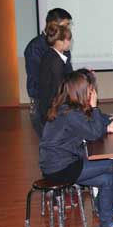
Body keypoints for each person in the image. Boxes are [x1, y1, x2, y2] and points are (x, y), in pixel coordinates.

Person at [39, 70, 113, 227]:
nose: (93, 93)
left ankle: (106, 223)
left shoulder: (70, 108)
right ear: (82, 91)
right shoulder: (69, 114)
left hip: (61, 164)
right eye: (91, 90)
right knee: (112, 164)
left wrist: (109, 121)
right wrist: (95, 107)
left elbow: (92, 122)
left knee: (107, 179)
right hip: (60, 168)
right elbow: (94, 133)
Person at [25, 8, 73, 137]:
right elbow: (38, 80)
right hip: (44, 103)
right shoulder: (35, 47)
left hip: (59, 102)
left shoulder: (63, 46)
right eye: (66, 25)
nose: (68, 29)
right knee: (50, 142)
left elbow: (67, 72)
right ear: (54, 24)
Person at [35, 21, 72, 137]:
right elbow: (59, 87)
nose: (70, 42)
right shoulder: (55, 60)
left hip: (48, 107)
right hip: (52, 110)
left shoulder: (50, 55)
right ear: (60, 42)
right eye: (68, 39)